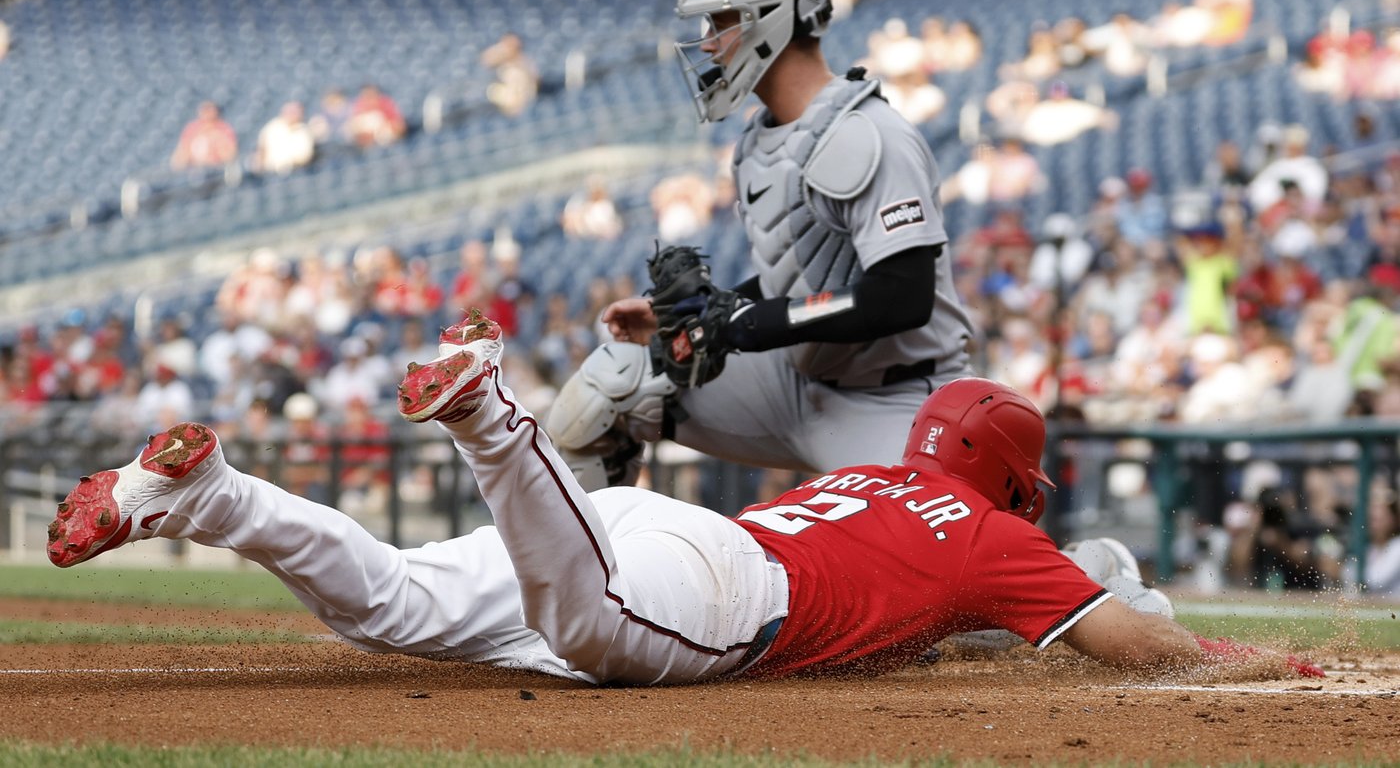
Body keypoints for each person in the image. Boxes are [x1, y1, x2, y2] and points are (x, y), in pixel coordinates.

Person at [44, 314, 1322, 685]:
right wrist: (1256, 667)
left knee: (386, 603)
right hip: (713, 593)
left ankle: (206, 495)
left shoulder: (871, 473)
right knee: (593, 632)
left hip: (667, 528)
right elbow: (1129, 642)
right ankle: (494, 415)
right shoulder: (991, 535)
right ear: (1007, 479)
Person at [547, 0, 977, 490]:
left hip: (897, 401)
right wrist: (701, 314)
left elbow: (902, 296)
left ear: (765, 20)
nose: (706, 46)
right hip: (795, 383)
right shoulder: (758, 143)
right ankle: (605, 573)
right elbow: (796, 280)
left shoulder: (867, 133)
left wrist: (745, 324)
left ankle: (1093, 572)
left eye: (717, 24)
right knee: (614, 384)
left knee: (921, 574)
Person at [170, 101, 238, 171]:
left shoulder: (224, 129)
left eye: (209, 109)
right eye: (204, 109)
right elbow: (181, 152)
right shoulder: (192, 128)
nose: (206, 113)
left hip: (216, 170)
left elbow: (229, 155)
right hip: (193, 169)